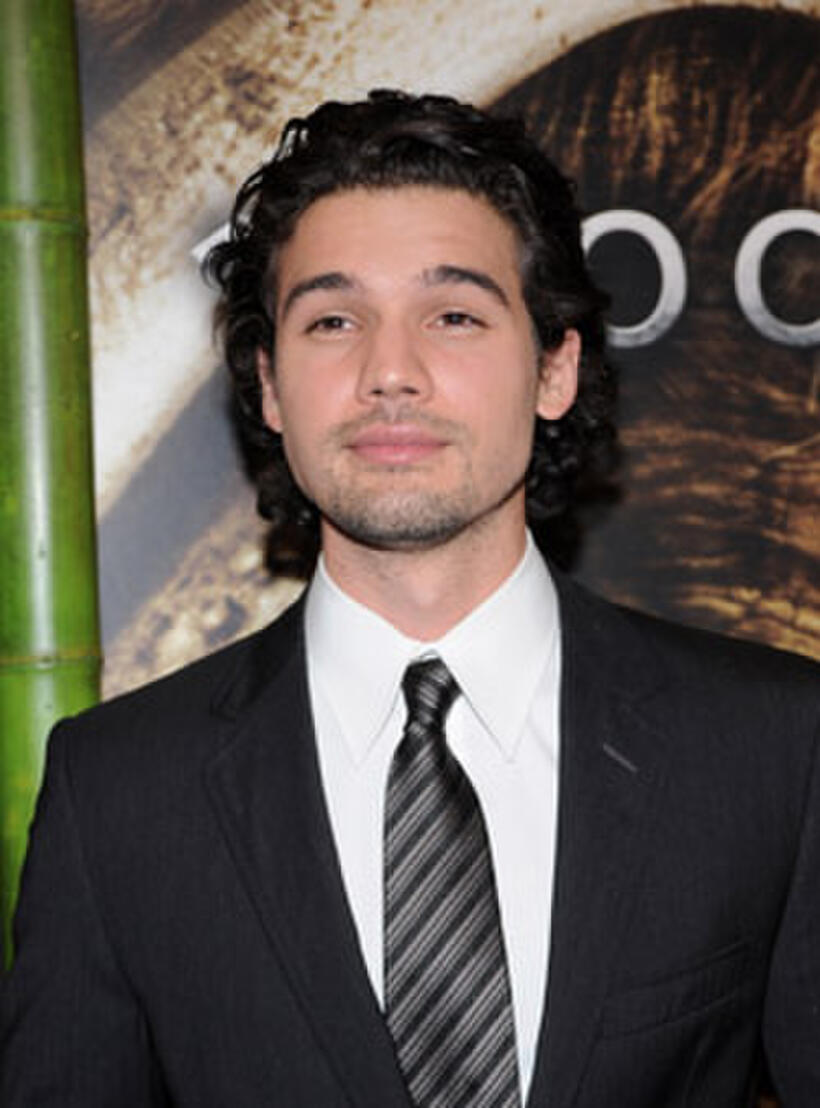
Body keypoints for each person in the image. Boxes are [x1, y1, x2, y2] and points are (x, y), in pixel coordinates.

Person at [1, 89, 818, 1108]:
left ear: (555, 368)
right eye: (334, 320)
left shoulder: (770, 747)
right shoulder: (117, 792)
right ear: (267, 383)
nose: (390, 370)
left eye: (454, 315)